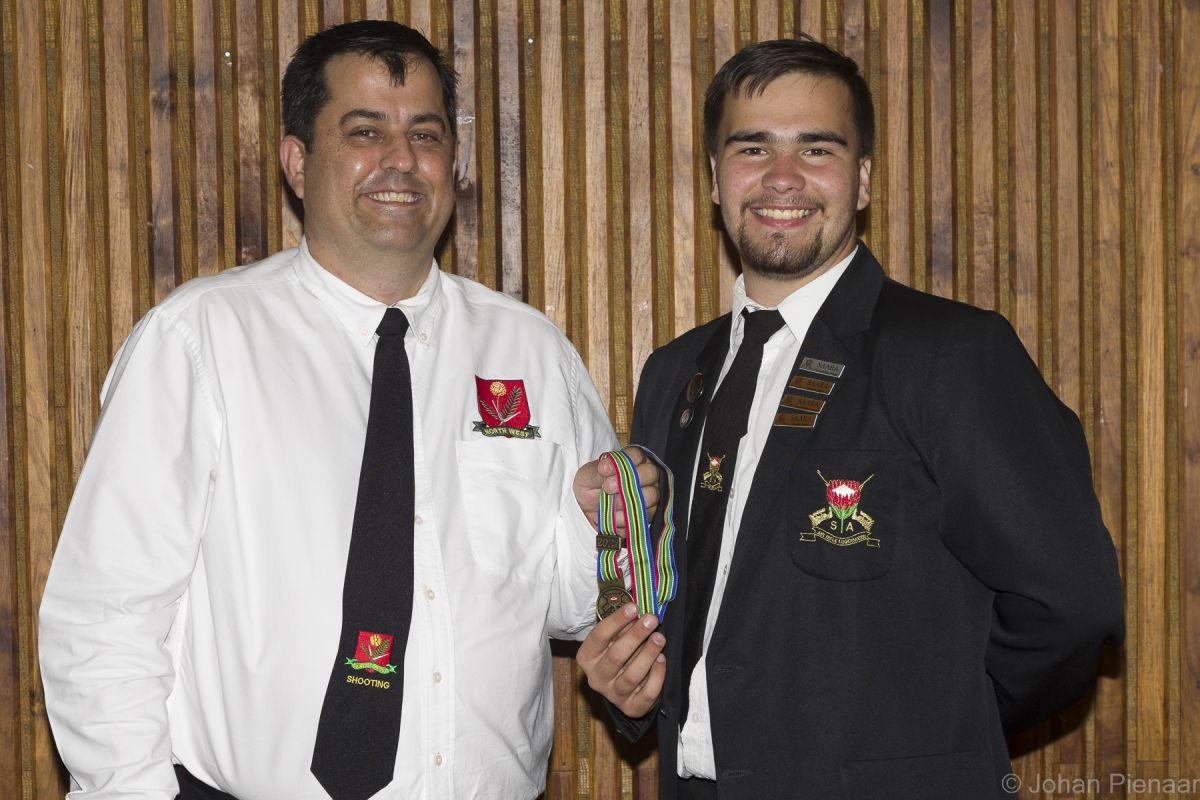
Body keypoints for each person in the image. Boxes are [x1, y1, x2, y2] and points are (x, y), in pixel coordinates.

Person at [38, 20, 651, 800]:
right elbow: (106, 615)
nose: (401, 159)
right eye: (365, 132)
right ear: (298, 162)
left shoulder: (531, 351)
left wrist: (605, 524)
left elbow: (574, 607)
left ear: (454, 161)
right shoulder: (200, 341)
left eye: (425, 134)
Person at [574, 36, 1124, 800]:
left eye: (817, 148)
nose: (782, 176)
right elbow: (693, 596)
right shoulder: (675, 373)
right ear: (715, 178)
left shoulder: (950, 355)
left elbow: (1070, 603)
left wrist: (939, 727)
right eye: (752, 147)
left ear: (862, 179)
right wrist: (637, 680)